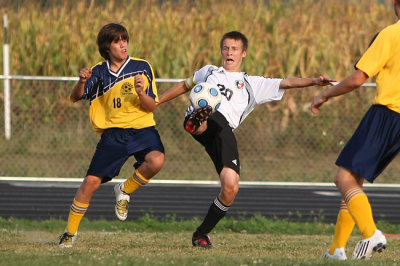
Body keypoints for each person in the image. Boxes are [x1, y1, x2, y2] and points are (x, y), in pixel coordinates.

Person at [158, 31, 334, 248]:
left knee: (231, 187)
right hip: (212, 119)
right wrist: (157, 101)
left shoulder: (252, 83)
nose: (229, 52)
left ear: (243, 54)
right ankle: (198, 120)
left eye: (234, 49)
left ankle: (201, 234)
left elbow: (287, 82)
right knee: (211, 113)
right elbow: (184, 85)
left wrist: (315, 81)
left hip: (223, 133)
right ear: (221, 50)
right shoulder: (209, 71)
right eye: (225, 48)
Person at [59, 23, 165, 248]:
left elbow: (151, 106)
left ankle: (125, 190)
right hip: (114, 134)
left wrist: (140, 92)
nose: (123, 44)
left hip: (142, 128)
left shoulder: (141, 66)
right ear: (107, 47)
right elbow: (77, 97)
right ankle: (69, 233)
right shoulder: (98, 71)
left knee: (156, 160)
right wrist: (82, 81)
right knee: (90, 182)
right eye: (117, 41)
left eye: (125, 39)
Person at [311, 0, 400, 259]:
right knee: (354, 181)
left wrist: (324, 96)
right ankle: (336, 250)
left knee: (343, 179)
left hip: (387, 115)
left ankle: (371, 234)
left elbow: (358, 78)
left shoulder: (390, 34)